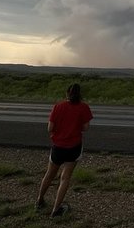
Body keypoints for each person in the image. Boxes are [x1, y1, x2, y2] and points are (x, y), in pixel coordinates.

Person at [36, 82, 93, 217]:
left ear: (67, 93)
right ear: (80, 94)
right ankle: (56, 210)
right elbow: (85, 128)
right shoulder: (84, 107)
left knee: (49, 174)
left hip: (58, 146)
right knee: (65, 178)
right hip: (74, 147)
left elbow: (50, 128)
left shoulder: (58, 106)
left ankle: (39, 200)